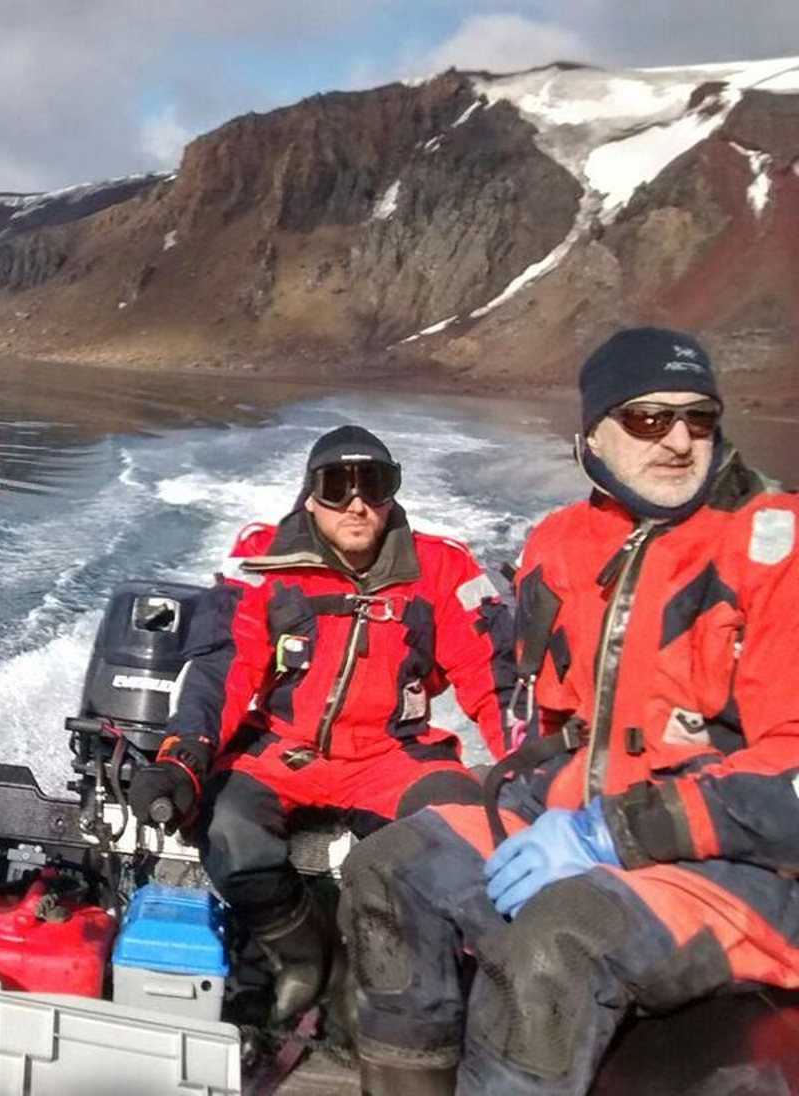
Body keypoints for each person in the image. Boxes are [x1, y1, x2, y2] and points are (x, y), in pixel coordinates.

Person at [338, 327, 799, 1094]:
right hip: (578, 811)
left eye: (700, 418)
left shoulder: (775, 550)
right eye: (649, 419)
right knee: (387, 871)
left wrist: (607, 835)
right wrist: (549, 808)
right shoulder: (558, 545)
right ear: (592, 433)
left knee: (559, 939)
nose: (680, 440)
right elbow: (552, 726)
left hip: (743, 869)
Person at [129, 425, 517, 1023]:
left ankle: (401, 983)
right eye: (337, 486)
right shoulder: (263, 561)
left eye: (375, 485)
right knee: (226, 826)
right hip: (283, 751)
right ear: (310, 494)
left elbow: (494, 678)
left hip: (394, 754)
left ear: (393, 493)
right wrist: (182, 757)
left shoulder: (444, 568)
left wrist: (532, 775)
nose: (357, 503)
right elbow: (222, 670)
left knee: (465, 834)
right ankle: (306, 955)